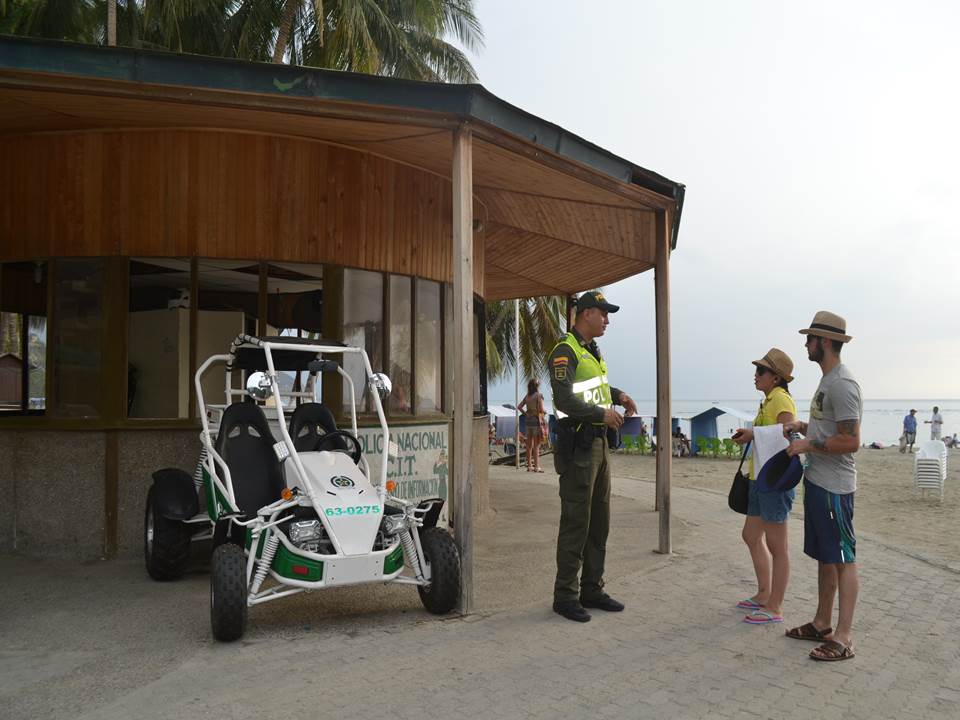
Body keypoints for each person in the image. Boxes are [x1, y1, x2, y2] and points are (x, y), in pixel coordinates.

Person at [548, 290, 637, 622]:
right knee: (576, 521)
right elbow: (563, 400)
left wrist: (619, 395)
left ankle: (592, 588)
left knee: (600, 521)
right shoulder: (565, 351)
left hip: (599, 447)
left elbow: (597, 388)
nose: (607, 320)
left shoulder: (591, 351)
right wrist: (602, 414)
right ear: (586, 314)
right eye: (604, 314)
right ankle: (566, 595)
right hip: (579, 448)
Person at [783, 311, 863, 662]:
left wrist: (807, 445)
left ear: (825, 343)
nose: (806, 343)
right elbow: (829, 430)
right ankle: (821, 623)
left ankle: (844, 637)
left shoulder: (843, 385)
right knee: (826, 557)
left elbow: (851, 441)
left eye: (810, 338)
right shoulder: (828, 380)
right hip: (818, 482)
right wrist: (803, 427)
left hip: (835, 487)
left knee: (844, 559)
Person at [731, 348, 797, 626]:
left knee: (777, 545)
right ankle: (764, 593)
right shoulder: (769, 400)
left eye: (761, 371)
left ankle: (775, 606)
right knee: (750, 535)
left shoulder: (780, 399)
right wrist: (751, 436)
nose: (755, 376)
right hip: (760, 479)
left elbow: (788, 431)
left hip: (774, 482)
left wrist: (752, 434)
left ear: (776, 377)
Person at [517, 379, 546, 472]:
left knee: (529, 445)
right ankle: (537, 467)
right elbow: (541, 409)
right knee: (536, 445)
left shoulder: (527, 396)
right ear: (537, 386)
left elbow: (519, 407)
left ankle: (529, 465)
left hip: (528, 422)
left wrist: (526, 414)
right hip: (536, 422)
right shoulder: (538, 396)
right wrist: (544, 412)